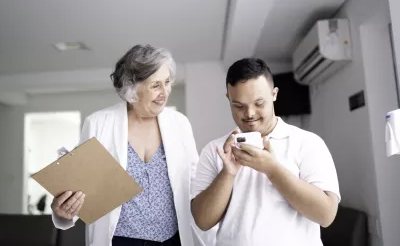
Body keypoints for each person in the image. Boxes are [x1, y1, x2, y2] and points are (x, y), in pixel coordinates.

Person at [51, 44, 203, 246]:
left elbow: (194, 184)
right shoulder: (98, 124)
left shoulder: (180, 124)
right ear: (132, 88)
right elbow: (83, 191)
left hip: (172, 240)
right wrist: (64, 213)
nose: (165, 92)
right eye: (155, 85)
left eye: (167, 82)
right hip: (119, 240)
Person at [190, 58, 340, 246]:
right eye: (239, 106)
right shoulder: (215, 150)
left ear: (274, 94)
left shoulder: (307, 143)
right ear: (228, 98)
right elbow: (202, 221)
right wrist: (227, 173)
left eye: (259, 103)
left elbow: (326, 215)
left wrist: (272, 170)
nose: (250, 113)